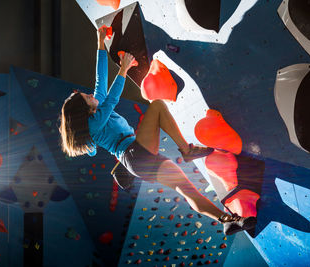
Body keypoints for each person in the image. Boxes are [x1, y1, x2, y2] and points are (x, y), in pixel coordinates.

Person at [59, 26, 257, 235]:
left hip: (138, 159)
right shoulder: (94, 123)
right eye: (86, 97)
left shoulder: (95, 108)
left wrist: (99, 42)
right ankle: (186, 150)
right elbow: (113, 100)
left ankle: (229, 220)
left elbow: (100, 79)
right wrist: (123, 69)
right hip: (133, 153)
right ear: (85, 110)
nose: (91, 95)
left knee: (186, 189)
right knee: (157, 106)